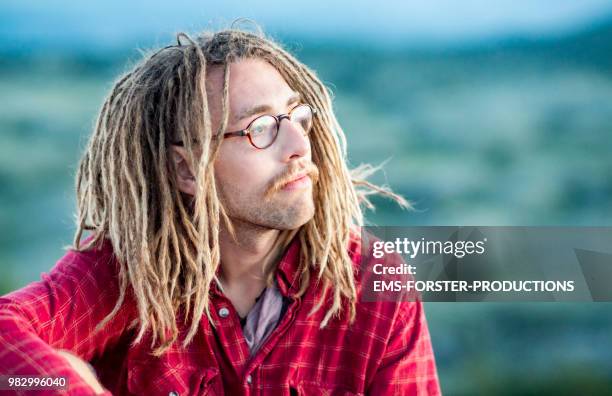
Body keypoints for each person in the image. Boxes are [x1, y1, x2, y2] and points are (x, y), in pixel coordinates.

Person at [0, 27, 441, 395]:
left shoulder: (372, 282)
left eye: (296, 117)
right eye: (261, 129)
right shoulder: (125, 273)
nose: (298, 146)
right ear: (187, 169)